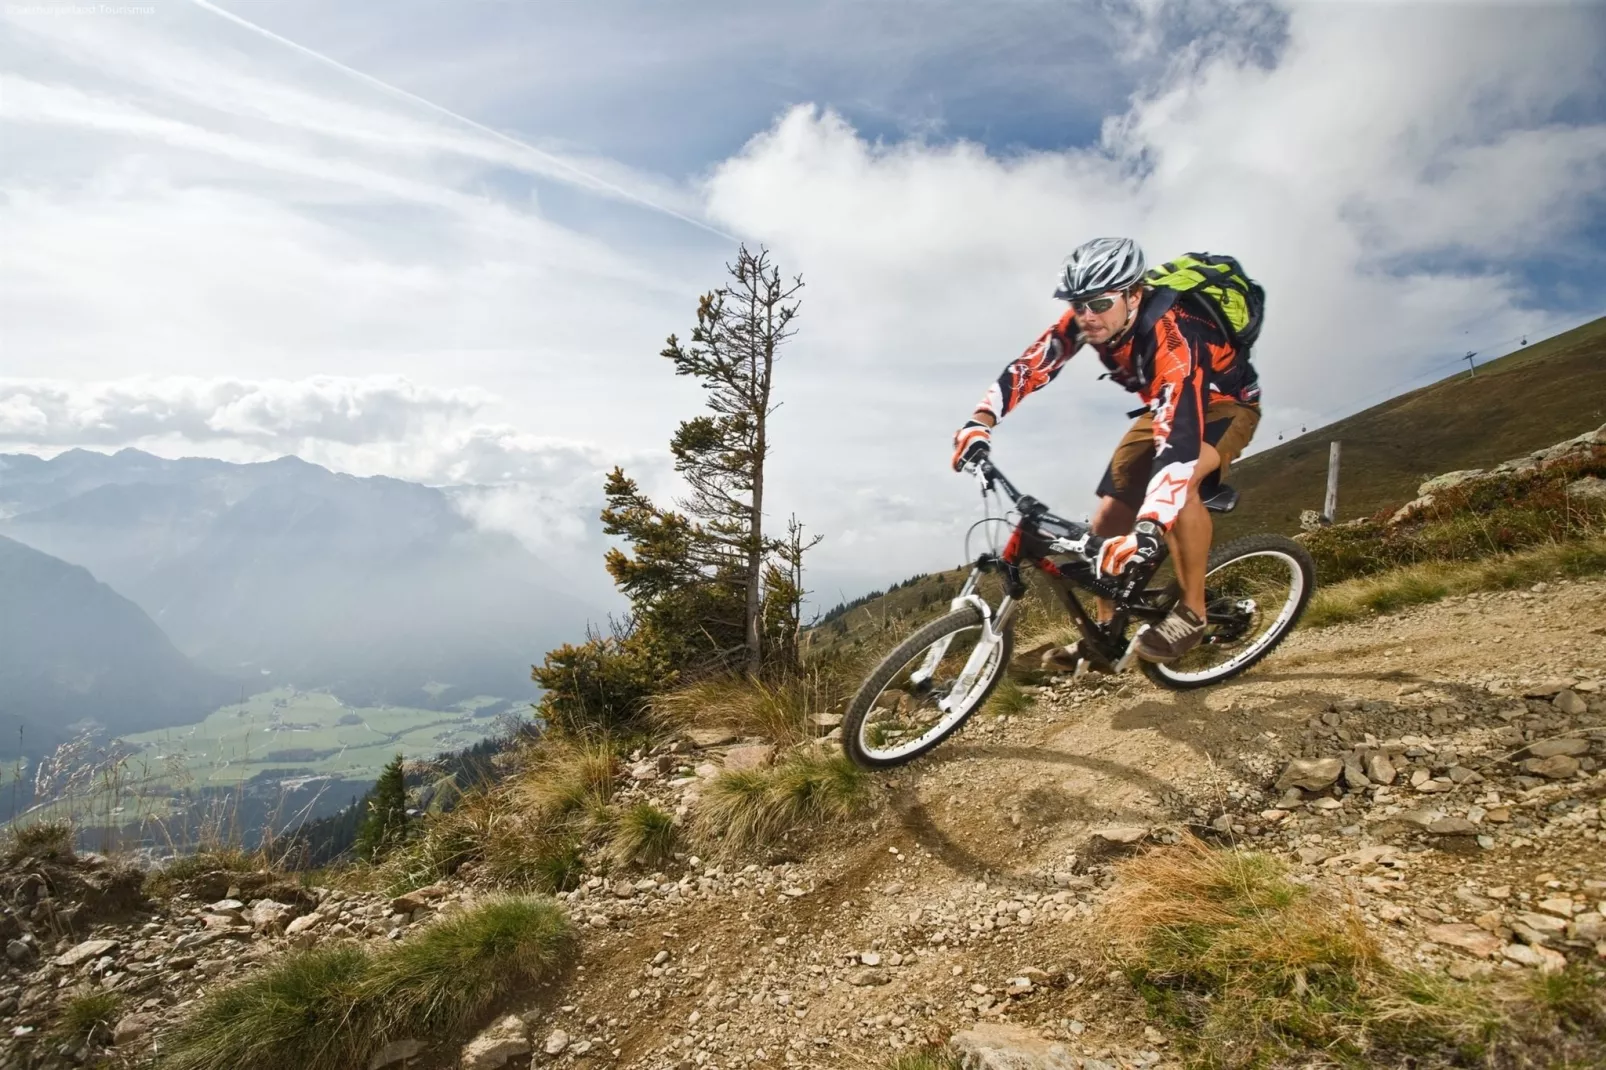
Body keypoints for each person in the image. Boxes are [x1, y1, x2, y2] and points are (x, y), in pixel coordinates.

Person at [950, 237, 1261, 664]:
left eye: (1099, 303)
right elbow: (1032, 365)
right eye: (1078, 304)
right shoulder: (1088, 318)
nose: (1087, 316)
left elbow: (1180, 439)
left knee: (1180, 484)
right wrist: (981, 421)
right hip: (1166, 403)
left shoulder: (1174, 339)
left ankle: (1193, 613)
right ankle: (1103, 635)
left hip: (1224, 403)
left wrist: (1150, 529)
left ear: (1134, 294)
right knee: (1110, 513)